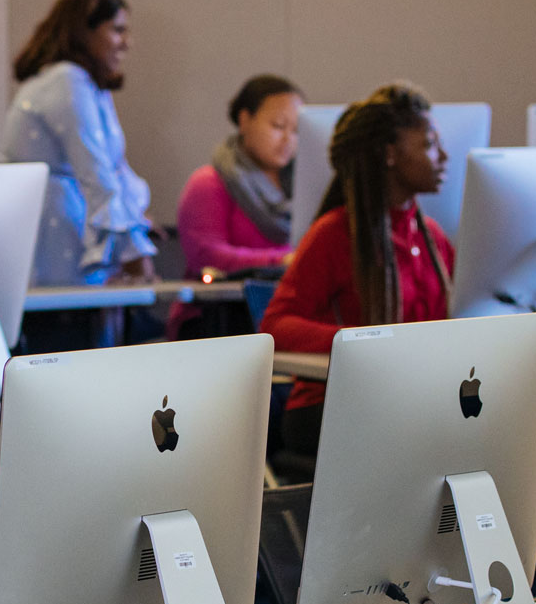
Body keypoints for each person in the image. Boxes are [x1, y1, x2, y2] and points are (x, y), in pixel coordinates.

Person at [258, 82, 454, 455]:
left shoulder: (432, 237)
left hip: (409, 402)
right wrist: (364, 344)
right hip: (332, 407)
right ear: (390, 153)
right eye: (429, 144)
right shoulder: (335, 234)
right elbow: (276, 325)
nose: (443, 156)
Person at [2, 0, 157, 288]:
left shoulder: (87, 84)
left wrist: (135, 230)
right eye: (117, 29)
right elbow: (96, 171)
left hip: (67, 226)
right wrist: (134, 254)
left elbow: (116, 170)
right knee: (65, 328)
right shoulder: (66, 80)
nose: (127, 42)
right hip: (50, 234)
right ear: (84, 32)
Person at [168, 74, 302, 339]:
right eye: (278, 126)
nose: (288, 139)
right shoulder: (209, 182)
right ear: (244, 120)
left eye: (297, 130)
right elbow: (208, 257)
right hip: (214, 320)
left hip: (280, 313)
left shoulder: (303, 187)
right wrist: (283, 260)